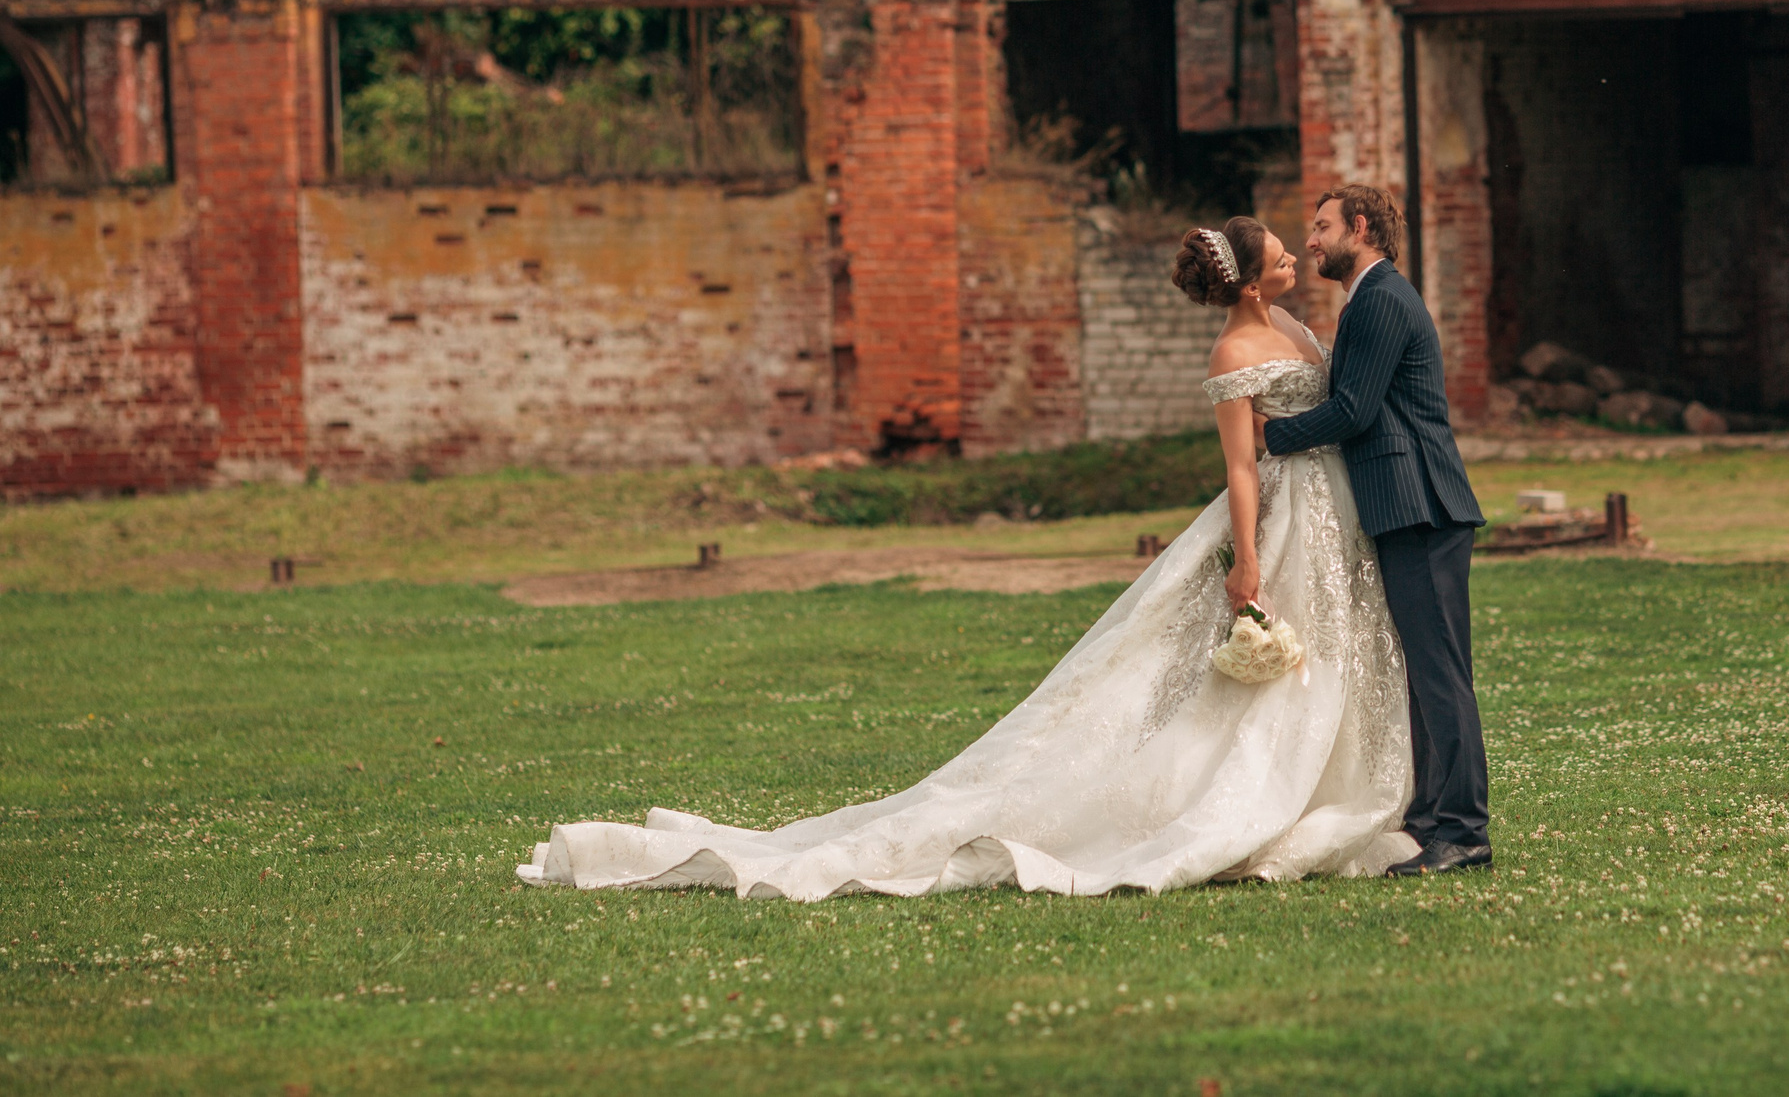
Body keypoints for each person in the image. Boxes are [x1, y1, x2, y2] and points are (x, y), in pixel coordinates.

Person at [514, 214, 1419, 899]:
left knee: (1336, 656)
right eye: (1282, 255)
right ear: (1253, 279)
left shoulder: (1299, 330)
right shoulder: (1236, 349)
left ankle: (1326, 796)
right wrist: (1248, 557)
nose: (1297, 256)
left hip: (1333, 508)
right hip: (1283, 513)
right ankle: (1244, 807)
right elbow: (1238, 462)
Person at [1260, 185, 1491, 877]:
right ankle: (1430, 819)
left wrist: (1271, 435)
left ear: (1361, 227)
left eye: (1324, 226)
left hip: (1423, 506)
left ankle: (1464, 831)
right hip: (1404, 508)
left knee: (1442, 674)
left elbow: (1355, 409)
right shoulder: (1368, 298)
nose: (1312, 241)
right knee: (1425, 675)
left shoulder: (1383, 297)